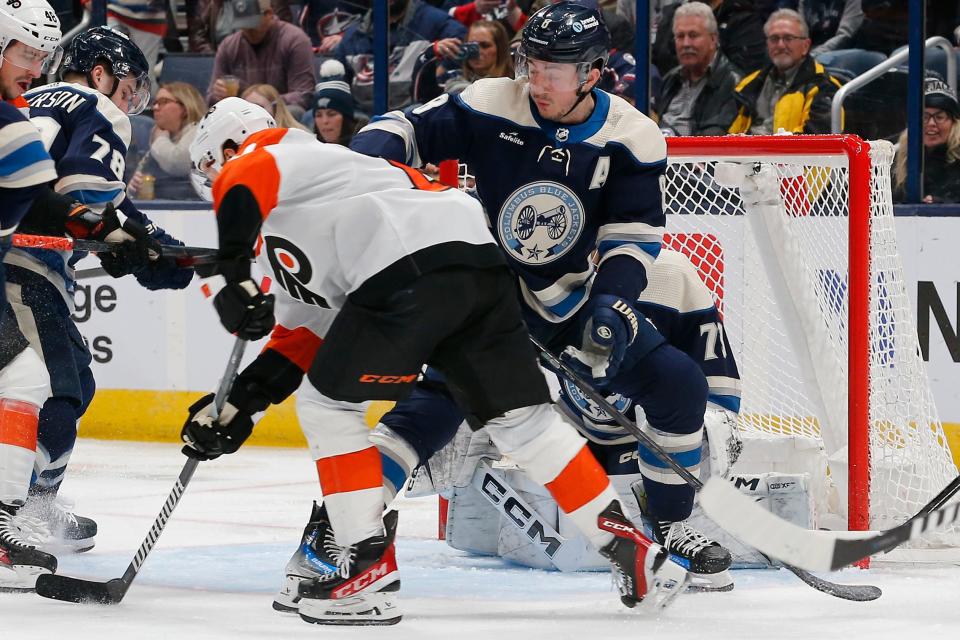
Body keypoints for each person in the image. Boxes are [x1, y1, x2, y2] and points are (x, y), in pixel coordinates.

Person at [181, 97, 689, 625]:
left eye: (209, 167)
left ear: (229, 146)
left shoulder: (278, 151)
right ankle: (629, 549)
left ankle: (363, 566)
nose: (211, 181)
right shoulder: (306, 212)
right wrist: (241, 404)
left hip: (408, 260)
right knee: (522, 421)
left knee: (328, 406)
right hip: (478, 261)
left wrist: (233, 272)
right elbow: (305, 332)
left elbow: (246, 176)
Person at [349, 0, 732, 586]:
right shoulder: (490, 102)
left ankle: (671, 522)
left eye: (554, 69)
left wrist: (613, 303)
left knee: (677, 384)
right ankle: (345, 523)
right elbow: (405, 128)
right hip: (485, 293)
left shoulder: (632, 136)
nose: (537, 78)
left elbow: (633, 239)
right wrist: (370, 161)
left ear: (593, 72)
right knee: (435, 404)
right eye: (532, 62)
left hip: (572, 299)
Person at [8, 27, 193, 566]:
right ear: (98, 74)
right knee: (58, 386)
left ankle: (31, 500)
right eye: (129, 86)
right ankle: (22, 511)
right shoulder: (97, 108)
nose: (129, 101)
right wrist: (143, 250)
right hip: (26, 266)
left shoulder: (21, 101)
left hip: (10, 253)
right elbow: (88, 206)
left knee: (57, 380)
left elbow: (104, 212)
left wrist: (160, 246)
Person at [727, 8, 842, 135]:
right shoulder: (747, 85)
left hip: (792, 154)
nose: (781, 45)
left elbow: (818, 141)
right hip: (746, 153)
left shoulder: (824, 86)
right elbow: (727, 132)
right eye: (774, 39)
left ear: (806, 45)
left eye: (788, 38)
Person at [335, 0, 467, 110]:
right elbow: (338, 84)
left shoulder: (430, 20)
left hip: (413, 115)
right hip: (364, 120)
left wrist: (440, 70)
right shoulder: (353, 36)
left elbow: (463, 37)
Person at [207, 0, 316, 114]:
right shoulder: (228, 46)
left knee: (295, 111)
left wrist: (265, 103)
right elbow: (210, 99)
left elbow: (304, 94)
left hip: (281, 117)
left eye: (252, 24)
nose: (247, 30)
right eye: (242, 25)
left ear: (269, 14)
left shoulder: (295, 40)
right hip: (242, 118)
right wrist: (218, 95)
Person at [658, 1, 742, 136]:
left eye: (693, 35)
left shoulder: (734, 83)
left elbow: (716, 136)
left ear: (713, 39)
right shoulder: (670, 79)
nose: (686, 44)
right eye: (680, 36)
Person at [127, 82, 207, 200]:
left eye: (163, 102)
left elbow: (178, 162)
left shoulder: (200, 131)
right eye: (155, 103)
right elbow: (140, 183)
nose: (155, 107)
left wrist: (159, 139)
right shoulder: (162, 138)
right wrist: (133, 189)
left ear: (185, 107)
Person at [893, 78, 960, 205]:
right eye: (925, 117)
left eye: (939, 117)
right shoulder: (898, 160)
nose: (931, 123)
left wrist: (946, 203)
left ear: (954, 123)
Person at [189, 0, 294, 52]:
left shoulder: (271, 2)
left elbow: (283, 33)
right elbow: (197, 37)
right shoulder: (208, 2)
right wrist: (214, 58)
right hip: (219, 62)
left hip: (264, 61)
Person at [310, 75, 367, 144]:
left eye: (331, 114)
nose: (325, 121)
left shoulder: (365, 148)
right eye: (318, 115)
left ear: (346, 117)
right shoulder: (307, 148)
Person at [242, 83, 310, 131]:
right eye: (246, 110)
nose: (251, 114)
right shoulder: (240, 138)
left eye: (259, 107)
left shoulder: (299, 136)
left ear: (275, 108)